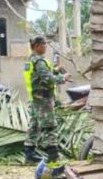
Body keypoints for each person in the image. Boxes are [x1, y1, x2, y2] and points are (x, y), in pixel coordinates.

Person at [23, 35, 69, 165]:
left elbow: (39, 75)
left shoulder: (31, 60)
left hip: (34, 98)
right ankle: (53, 155)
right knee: (49, 126)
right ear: (37, 46)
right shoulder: (39, 61)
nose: (46, 47)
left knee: (34, 126)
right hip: (43, 99)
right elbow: (47, 79)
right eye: (44, 44)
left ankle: (29, 155)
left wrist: (54, 70)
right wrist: (62, 78)